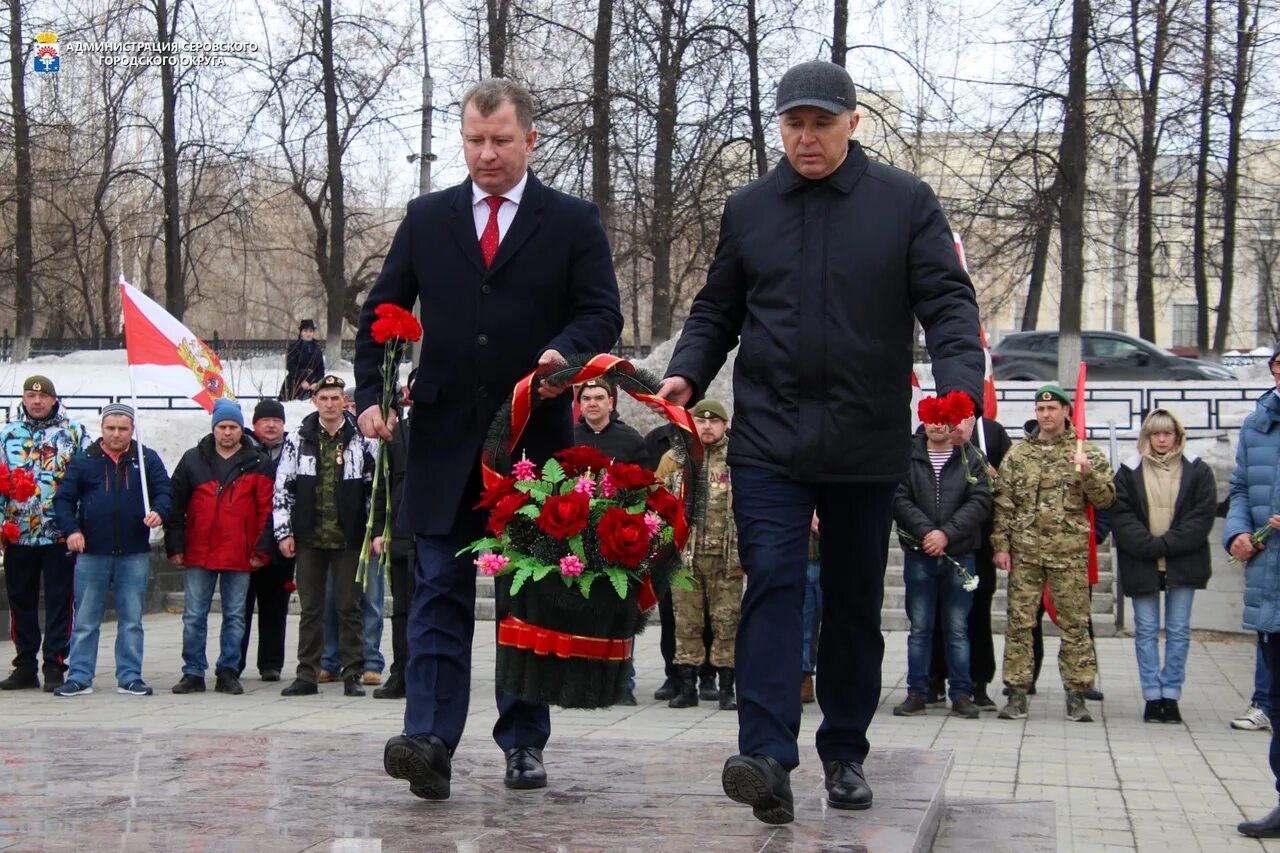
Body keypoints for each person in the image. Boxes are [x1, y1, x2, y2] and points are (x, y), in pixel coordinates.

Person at [657, 60, 983, 824]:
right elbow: (716, 309)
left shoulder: (903, 203)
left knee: (853, 602)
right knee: (769, 580)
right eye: (793, 123)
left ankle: (844, 751)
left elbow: (946, 299)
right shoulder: (751, 208)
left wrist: (960, 382)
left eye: (821, 123)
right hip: (768, 438)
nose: (805, 138)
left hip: (865, 442)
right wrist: (685, 372)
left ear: (852, 123)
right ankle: (766, 756)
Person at [353, 78, 622, 800]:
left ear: (530, 140)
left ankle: (523, 741)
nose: (486, 153)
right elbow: (381, 312)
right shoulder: (427, 217)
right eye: (474, 139)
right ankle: (430, 740)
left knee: (524, 594)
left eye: (500, 139)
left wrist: (564, 351)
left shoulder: (571, 221)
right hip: (442, 441)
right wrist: (369, 395)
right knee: (436, 588)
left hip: (532, 443)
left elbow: (602, 313)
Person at [991, 384, 1115, 723]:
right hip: (1026, 553)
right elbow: (1003, 503)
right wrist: (1001, 546)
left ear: (1065, 411)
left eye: (1052, 409)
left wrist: (1087, 474)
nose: (1046, 415)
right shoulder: (1018, 455)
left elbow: (1106, 500)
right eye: (1041, 410)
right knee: (1019, 624)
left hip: (1069, 554)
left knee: (1075, 626)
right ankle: (1017, 694)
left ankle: (1077, 695)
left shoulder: (1084, 451)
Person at [50, 404, 172, 697]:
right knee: (85, 620)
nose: (116, 434)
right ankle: (79, 676)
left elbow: (165, 492)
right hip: (93, 552)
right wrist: (72, 531)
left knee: (132, 619)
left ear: (133, 429)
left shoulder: (146, 459)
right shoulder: (85, 460)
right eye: (111, 428)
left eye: (123, 429)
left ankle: (130, 676)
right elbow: (63, 501)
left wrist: (159, 511)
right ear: (102, 428)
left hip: (134, 552)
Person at [273, 375, 376, 698]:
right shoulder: (297, 439)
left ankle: (353, 674)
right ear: (314, 401)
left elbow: (373, 491)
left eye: (336, 398)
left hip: (348, 539)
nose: (330, 404)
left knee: (349, 607)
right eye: (324, 398)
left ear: (344, 402)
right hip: (308, 538)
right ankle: (306, 674)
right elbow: (283, 488)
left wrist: (373, 534)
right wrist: (283, 532)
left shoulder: (361, 441)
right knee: (311, 609)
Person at [1111, 409, 1215, 724]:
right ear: (1146, 436)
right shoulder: (1129, 471)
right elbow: (1121, 514)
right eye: (1155, 433)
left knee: (1178, 630)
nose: (1161, 439)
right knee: (1145, 630)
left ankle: (1171, 694)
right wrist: (1148, 545)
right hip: (1142, 562)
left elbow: (1202, 515)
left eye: (1166, 433)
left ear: (1177, 435)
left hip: (1183, 561)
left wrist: (1168, 545)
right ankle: (1151, 696)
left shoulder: (1198, 470)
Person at [166, 400, 274, 696]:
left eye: (233, 427)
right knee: (194, 615)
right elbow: (175, 505)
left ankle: (228, 670)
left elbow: (267, 510)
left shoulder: (259, 462)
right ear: (214, 428)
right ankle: (192, 671)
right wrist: (175, 544)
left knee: (235, 615)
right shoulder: (192, 460)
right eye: (222, 427)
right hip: (199, 551)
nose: (227, 433)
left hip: (240, 552)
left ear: (242, 429)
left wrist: (261, 549)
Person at [891, 409, 991, 719]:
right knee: (920, 628)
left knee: (958, 628)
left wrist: (946, 534)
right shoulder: (908, 455)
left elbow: (980, 500)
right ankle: (917, 693)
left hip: (959, 553)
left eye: (944, 420)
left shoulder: (969, 458)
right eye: (932, 419)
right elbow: (899, 497)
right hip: (920, 554)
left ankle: (961, 693)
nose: (937, 426)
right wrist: (927, 534)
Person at [0, 375, 90, 692]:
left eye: (43, 397)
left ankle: (55, 663)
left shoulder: (75, 434)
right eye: (30, 396)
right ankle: (24, 665)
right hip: (19, 533)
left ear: (54, 399)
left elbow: (86, 482)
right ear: (24, 399)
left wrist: (80, 525)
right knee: (20, 600)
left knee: (59, 600)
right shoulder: (7, 435)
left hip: (59, 534)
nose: (36, 402)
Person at [655, 400, 742, 711]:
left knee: (726, 624)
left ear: (724, 424)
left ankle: (727, 689)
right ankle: (687, 687)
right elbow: (657, 504)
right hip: (686, 561)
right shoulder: (676, 458)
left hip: (726, 559)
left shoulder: (737, 460)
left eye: (713, 422)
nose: (707, 427)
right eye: (701, 421)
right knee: (686, 624)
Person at [927, 415, 1012, 710]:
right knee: (933, 613)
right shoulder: (932, 424)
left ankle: (978, 681)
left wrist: (994, 476)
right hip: (935, 540)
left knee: (977, 613)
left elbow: (1008, 487)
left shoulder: (992, 432)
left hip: (979, 540)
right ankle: (934, 677)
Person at [1229, 349, 1280, 838]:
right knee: (1278, 701)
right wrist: (1238, 534)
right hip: (1272, 580)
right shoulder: (1257, 424)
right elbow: (1241, 488)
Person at [238, 399, 294, 681]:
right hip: (246, 541)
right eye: (265, 421)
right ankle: (233, 662)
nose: (271, 426)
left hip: (282, 541)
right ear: (255, 424)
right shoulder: (242, 450)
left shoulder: (294, 449)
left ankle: (271, 663)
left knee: (275, 606)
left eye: (277, 421)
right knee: (240, 607)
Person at [372, 373, 416, 700]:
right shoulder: (396, 433)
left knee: (435, 609)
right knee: (401, 609)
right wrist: (377, 531)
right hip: (400, 533)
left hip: (436, 536)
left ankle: (431, 672)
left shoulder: (453, 432)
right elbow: (381, 489)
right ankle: (401, 672)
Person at [573, 378, 646, 464]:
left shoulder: (631, 439)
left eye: (599, 398)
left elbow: (644, 475)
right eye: (586, 399)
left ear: (610, 403)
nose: (592, 404)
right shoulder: (569, 437)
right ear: (580, 405)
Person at [282, 319, 324, 401]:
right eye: (305, 331)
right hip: (295, 381)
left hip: (313, 383)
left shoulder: (317, 348)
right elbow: (290, 365)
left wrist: (317, 383)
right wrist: (301, 381)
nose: (308, 334)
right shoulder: (294, 347)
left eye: (310, 331)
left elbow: (321, 368)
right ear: (301, 332)